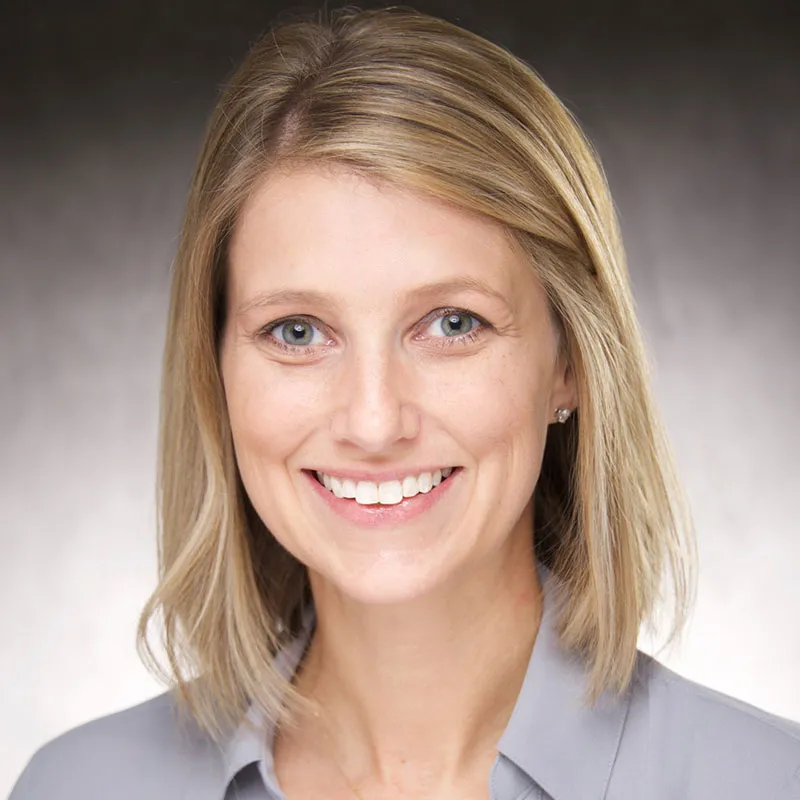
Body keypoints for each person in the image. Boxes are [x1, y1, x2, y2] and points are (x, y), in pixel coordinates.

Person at [10, 6, 800, 800]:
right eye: (296, 330)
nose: (375, 420)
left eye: (452, 324)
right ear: (214, 369)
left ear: (570, 363)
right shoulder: (77, 785)